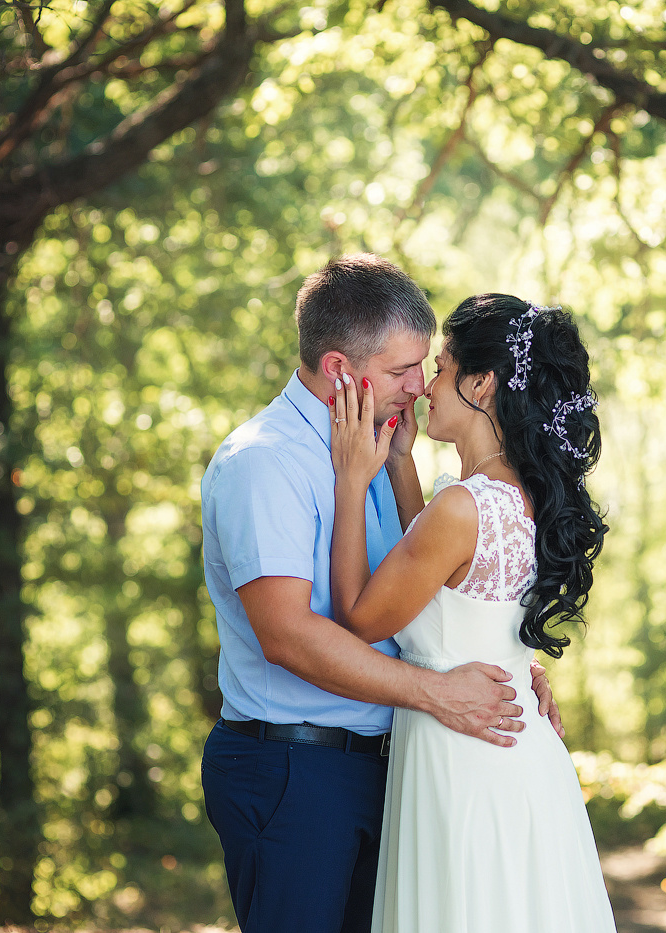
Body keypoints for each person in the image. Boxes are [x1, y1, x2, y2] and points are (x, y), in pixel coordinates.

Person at [198, 256, 563, 933]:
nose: (420, 386)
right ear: (339, 367)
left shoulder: (381, 448)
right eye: (401, 371)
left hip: (396, 767)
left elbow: (422, 597)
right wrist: (435, 690)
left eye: (427, 365)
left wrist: (505, 661)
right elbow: (288, 635)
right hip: (294, 772)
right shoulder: (264, 462)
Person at [329, 293, 617, 933]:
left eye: (445, 367)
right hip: (519, 754)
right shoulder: (529, 495)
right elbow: (436, 583)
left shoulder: (463, 507)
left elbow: (358, 616)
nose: (428, 384)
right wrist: (400, 464)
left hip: (465, 761)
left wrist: (354, 480)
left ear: (483, 384)